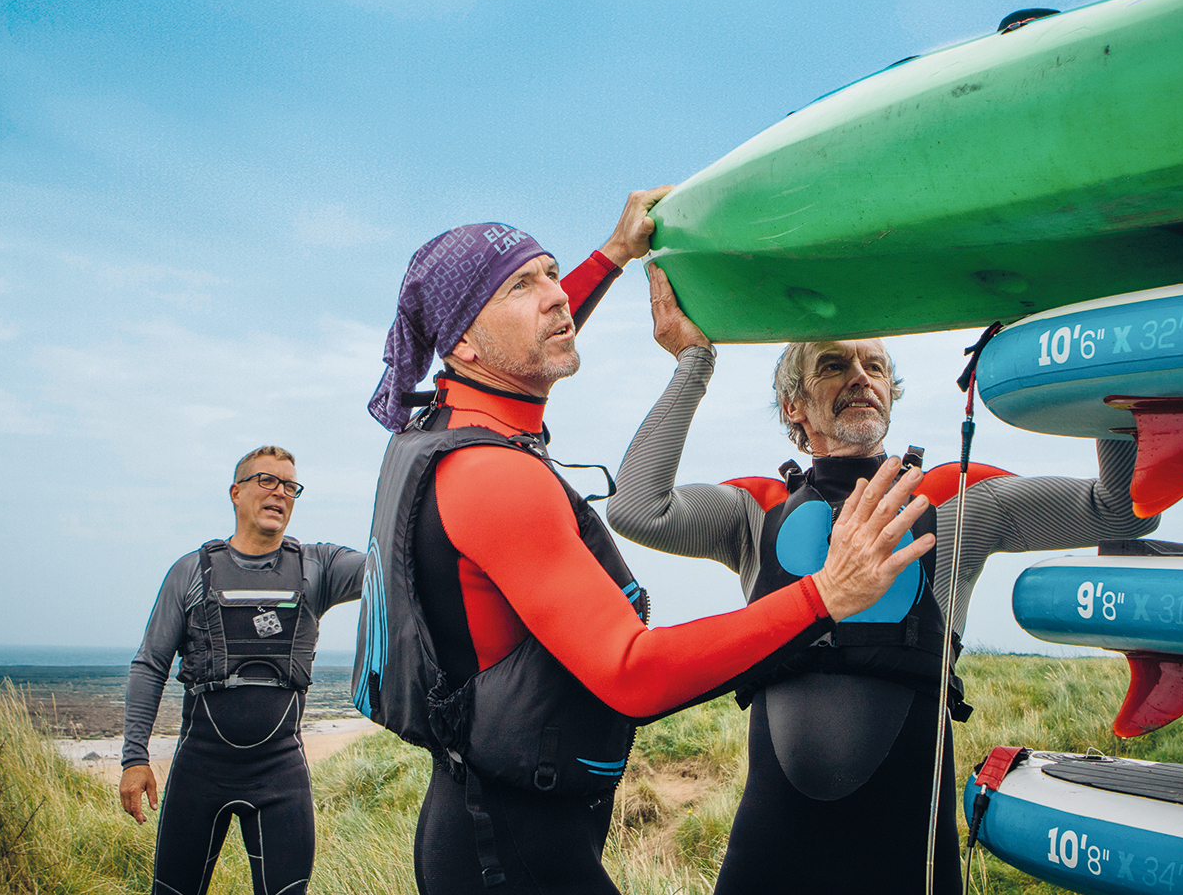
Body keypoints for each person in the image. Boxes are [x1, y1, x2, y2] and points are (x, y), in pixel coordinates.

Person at [357, 187, 936, 895]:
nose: (555, 298)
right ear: (465, 342)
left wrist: (613, 255)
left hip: (486, 820)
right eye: (522, 284)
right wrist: (825, 595)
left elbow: (511, 329)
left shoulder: (444, 424)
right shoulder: (494, 479)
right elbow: (632, 674)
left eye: (551, 274)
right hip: (510, 851)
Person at [606, 267, 1160, 894]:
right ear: (795, 405)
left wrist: (1105, 369)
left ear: (892, 394)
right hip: (773, 851)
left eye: (874, 366)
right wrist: (693, 364)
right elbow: (634, 509)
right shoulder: (753, 514)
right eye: (832, 365)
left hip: (905, 856)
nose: (859, 378)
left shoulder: (955, 502)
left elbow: (1124, 509)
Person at [120, 446, 367, 895]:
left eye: (290, 486)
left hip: (280, 776)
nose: (280, 493)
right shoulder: (191, 571)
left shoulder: (318, 568)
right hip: (199, 769)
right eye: (267, 481)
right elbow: (150, 664)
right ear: (236, 493)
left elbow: (385, 566)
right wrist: (135, 757)